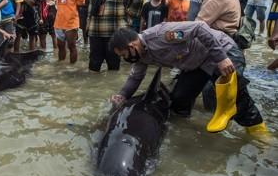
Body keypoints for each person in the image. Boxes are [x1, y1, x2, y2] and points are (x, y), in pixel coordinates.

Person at [109, 21, 266, 135]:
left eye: (123, 55)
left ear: (131, 46)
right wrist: (122, 96)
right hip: (196, 65)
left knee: (236, 98)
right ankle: (185, 133)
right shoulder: (141, 56)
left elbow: (199, 28)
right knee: (178, 101)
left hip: (221, 52)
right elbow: (135, 78)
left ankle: (258, 132)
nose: (125, 59)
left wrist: (221, 58)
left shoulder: (164, 35)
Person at [86, 0, 143, 72]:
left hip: (115, 32)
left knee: (113, 64)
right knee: (94, 64)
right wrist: (87, 26)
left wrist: (129, 15)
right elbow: (91, 8)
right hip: (96, 30)